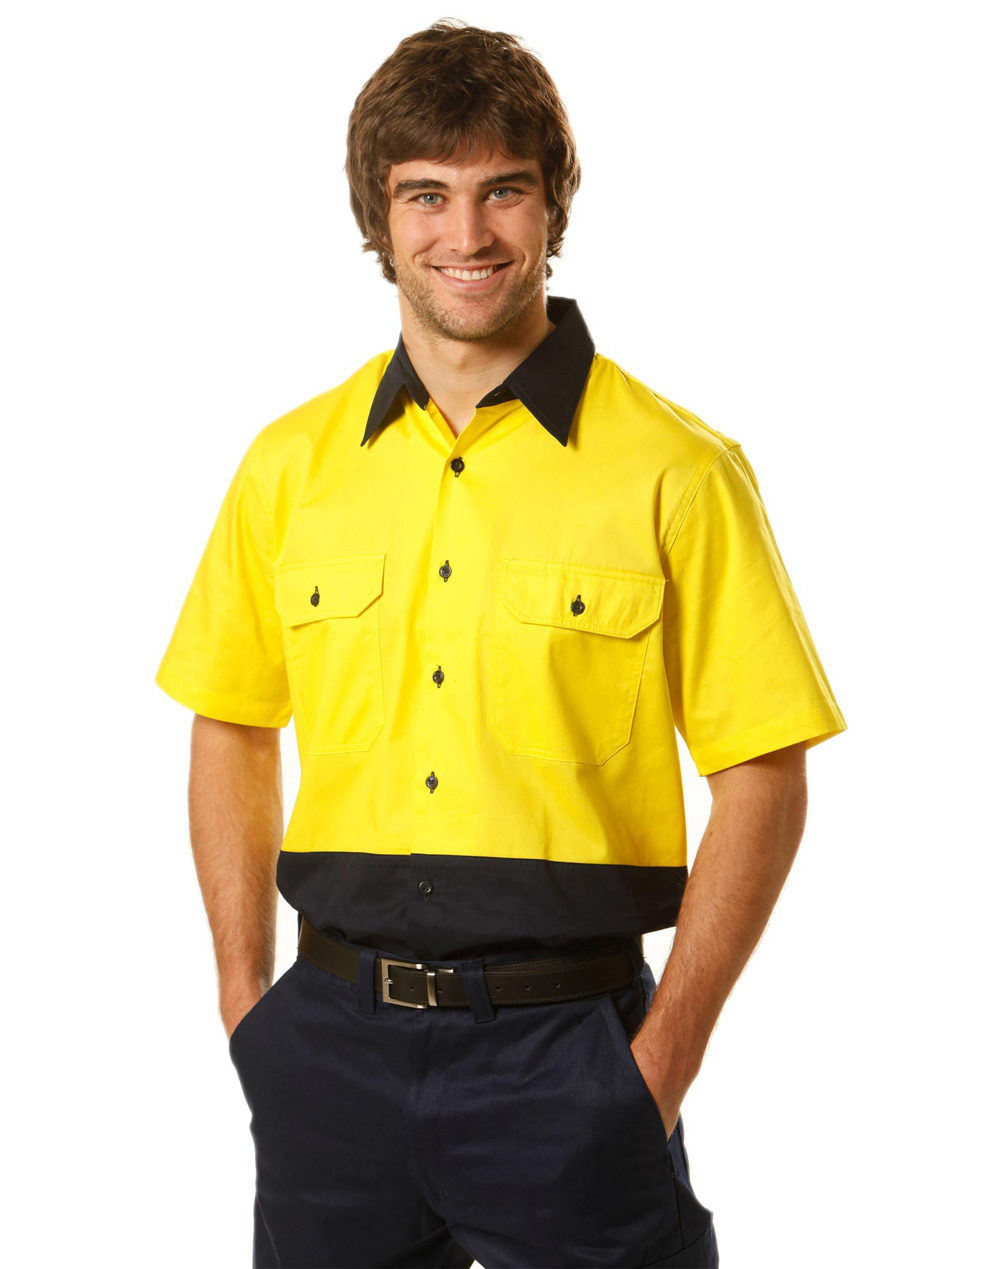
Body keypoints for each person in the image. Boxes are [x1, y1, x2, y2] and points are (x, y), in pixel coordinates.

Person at [155, 19, 846, 1268]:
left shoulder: (677, 471)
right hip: (327, 1057)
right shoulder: (287, 467)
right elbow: (232, 724)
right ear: (378, 217)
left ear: (553, 204)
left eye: (502, 191)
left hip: (571, 1058)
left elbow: (762, 772)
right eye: (426, 194)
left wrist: (660, 1064)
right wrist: (247, 1004)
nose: (465, 234)